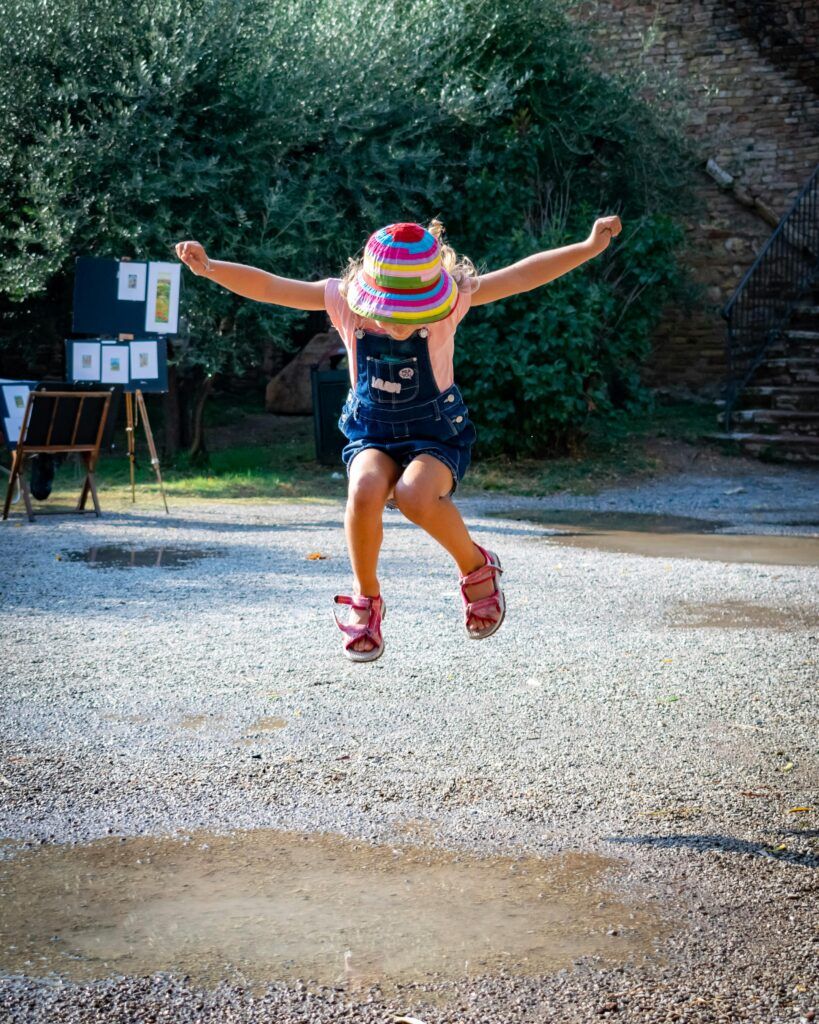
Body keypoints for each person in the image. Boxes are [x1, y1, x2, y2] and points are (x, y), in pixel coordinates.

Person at [175, 214, 622, 662]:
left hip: (435, 432)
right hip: (372, 431)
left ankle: (476, 566)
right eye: (389, 313)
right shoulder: (342, 300)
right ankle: (366, 598)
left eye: (414, 314)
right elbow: (272, 287)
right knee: (365, 489)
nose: (398, 326)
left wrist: (586, 247)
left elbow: (523, 276)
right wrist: (211, 267)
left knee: (414, 496)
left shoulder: (455, 299)